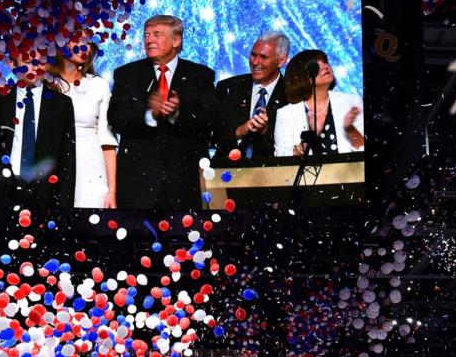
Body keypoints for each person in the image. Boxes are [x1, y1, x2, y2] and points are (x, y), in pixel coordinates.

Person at [107, 14, 219, 210]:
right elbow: (116, 119)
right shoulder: (126, 74)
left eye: (157, 34)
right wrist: (149, 113)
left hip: (185, 181)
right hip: (138, 183)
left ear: (176, 40)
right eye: (146, 35)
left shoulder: (201, 75)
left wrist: (177, 113)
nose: (149, 40)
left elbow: (211, 121)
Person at [0, 52, 77, 208]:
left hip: (43, 194)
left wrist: (65, 206)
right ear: (13, 64)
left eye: (41, 61)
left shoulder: (62, 104)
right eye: (27, 59)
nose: (34, 66)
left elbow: (68, 159)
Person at [46, 39, 118, 209]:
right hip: (52, 165)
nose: (84, 46)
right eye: (76, 40)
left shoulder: (98, 85)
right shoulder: (45, 83)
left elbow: (107, 140)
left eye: (88, 41)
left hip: (91, 168)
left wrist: (112, 191)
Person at [273, 49, 364, 157]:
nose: (325, 66)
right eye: (316, 64)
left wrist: (349, 129)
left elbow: (364, 151)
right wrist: (306, 143)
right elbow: (280, 157)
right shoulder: (286, 114)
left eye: (325, 61)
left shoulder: (352, 102)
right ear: (300, 76)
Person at [214, 32, 291, 160]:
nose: (255, 62)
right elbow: (213, 136)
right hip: (228, 172)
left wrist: (265, 132)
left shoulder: (291, 95)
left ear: (281, 61)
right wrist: (239, 132)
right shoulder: (228, 87)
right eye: (253, 55)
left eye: (263, 57)